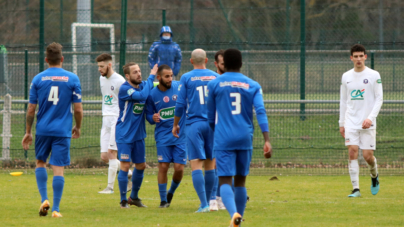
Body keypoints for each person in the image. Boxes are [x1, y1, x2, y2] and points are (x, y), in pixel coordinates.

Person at [206, 48, 272, 227]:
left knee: (225, 180)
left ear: (224, 64)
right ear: (242, 64)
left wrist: (216, 133)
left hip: (224, 137)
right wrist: (266, 139)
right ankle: (238, 220)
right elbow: (260, 112)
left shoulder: (214, 84)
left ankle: (233, 213)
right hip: (245, 137)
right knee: (241, 180)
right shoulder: (253, 85)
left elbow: (210, 116)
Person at [22, 42, 83, 218]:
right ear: (62, 59)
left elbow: (31, 109)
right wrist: (77, 127)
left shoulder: (38, 79)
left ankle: (44, 199)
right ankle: (55, 209)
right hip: (62, 132)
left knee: (40, 162)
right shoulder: (72, 79)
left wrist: (28, 132)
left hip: (42, 130)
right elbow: (78, 110)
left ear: (46, 60)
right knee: (58, 169)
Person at [172, 49, 219, 213]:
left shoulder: (186, 77)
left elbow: (180, 105)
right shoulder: (215, 77)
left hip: (194, 124)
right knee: (211, 164)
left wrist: (175, 124)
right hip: (213, 125)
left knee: (196, 165)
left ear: (191, 61)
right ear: (206, 60)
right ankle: (211, 201)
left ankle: (204, 204)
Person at [339, 44, 382, 198]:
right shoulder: (346, 76)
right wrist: (341, 123)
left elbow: (379, 99)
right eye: (355, 56)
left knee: (368, 156)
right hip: (351, 121)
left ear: (365, 57)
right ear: (351, 58)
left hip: (368, 122)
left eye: (360, 56)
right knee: (352, 152)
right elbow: (343, 101)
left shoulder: (374, 75)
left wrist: (370, 118)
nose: (358, 59)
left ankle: (374, 176)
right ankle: (356, 189)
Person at [116, 62, 158, 208]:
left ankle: (133, 197)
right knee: (125, 165)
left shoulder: (144, 85)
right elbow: (142, 95)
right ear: (127, 76)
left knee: (141, 165)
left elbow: (147, 115)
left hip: (139, 135)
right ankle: (123, 201)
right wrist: (152, 75)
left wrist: (153, 118)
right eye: (135, 72)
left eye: (140, 71)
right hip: (124, 134)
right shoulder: (125, 89)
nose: (139, 74)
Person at [145, 65, 187, 208]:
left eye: (171, 76)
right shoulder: (152, 95)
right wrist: (153, 117)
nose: (170, 79)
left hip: (180, 135)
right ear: (159, 78)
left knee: (179, 168)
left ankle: (171, 192)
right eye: (167, 76)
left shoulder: (179, 87)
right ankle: (163, 200)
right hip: (163, 136)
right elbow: (148, 116)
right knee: (163, 166)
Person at [96, 53, 132, 194]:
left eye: (102, 66)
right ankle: (129, 173)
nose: (99, 69)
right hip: (105, 119)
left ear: (109, 65)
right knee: (105, 156)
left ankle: (110, 188)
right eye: (98, 66)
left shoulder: (120, 80)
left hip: (116, 119)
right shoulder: (101, 79)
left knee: (112, 153)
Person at [209, 49, 226, 211]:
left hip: (231, 129)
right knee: (215, 164)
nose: (225, 66)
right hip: (215, 128)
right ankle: (213, 199)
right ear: (216, 64)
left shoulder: (233, 81)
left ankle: (223, 196)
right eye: (222, 64)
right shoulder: (213, 81)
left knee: (227, 165)